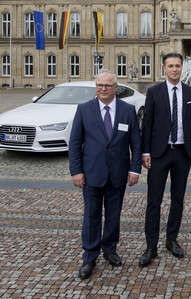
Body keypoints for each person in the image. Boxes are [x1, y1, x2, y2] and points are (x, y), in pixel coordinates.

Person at [69, 70, 142, 279]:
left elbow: (135, 143)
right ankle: (89, 256)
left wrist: (134, 169)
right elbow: (75, 143)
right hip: (91, 174)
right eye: (99, 85)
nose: (103, 88)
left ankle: (110, 249)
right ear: (96, 87)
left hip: (118, 174)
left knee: (113, 214)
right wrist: (76, 171)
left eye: (107, 85)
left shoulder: (128, 111)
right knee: (91, 216)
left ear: (115, 88)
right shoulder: (84, 110)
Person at [139, 52, 191, 267]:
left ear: (182, 68)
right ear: (164, 69)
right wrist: (145, 152)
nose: (174, 69)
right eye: (170, 66)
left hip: (182, 153)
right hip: (159, 153)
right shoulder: (154, 92)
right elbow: (147, 124)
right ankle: (151, 246)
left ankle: (171, 239)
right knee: (154, 201)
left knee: (178, 199)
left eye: (177, 65)